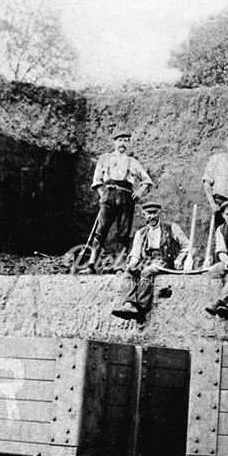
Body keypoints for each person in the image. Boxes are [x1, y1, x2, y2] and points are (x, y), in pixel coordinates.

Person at [112, 201, 191, 321]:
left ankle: (141, 307)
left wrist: (180, 259)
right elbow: (135, 253)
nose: (152, 216)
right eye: (149, 213)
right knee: (129, 271)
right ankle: (129, 304)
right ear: (144, 214)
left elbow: (187, 245)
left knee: (147, 271)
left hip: (164, 260)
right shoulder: (141, 233)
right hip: (147, 260)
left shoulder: (171, 227)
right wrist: (132, 263)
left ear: (159, 213)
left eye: (154, 213)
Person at [87, 129, 153, 268]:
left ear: (129, 143)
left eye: (126, 141)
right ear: (114, 142)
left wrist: (140, 191)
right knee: (101, 231)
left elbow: (147, 180)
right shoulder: (105, 158)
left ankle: (119, 266)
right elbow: (97, 180)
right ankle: (91, 264)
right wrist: (103, 196)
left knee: (123, 233)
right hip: (108, 195)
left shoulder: (133, 162)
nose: (123, 143)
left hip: (126, 197)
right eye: (120, 140)